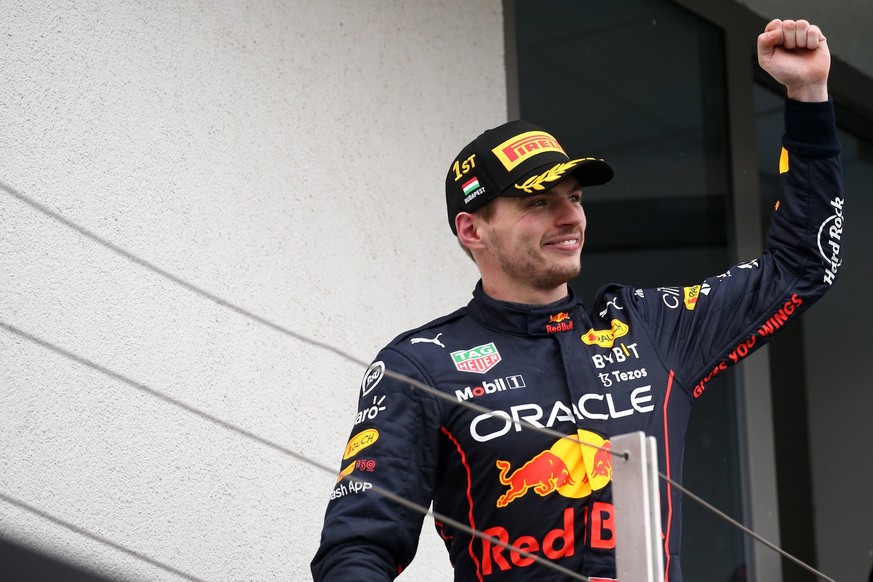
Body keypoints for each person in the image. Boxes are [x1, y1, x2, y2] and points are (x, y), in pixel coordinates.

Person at [312, 18, 841, 582]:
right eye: (539, 202)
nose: (570, 217)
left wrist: (807, 97)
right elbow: (357, 549)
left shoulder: (649, 326)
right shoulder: (421, 363)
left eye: (575, 197)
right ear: (472, 230)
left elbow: (800, 266)